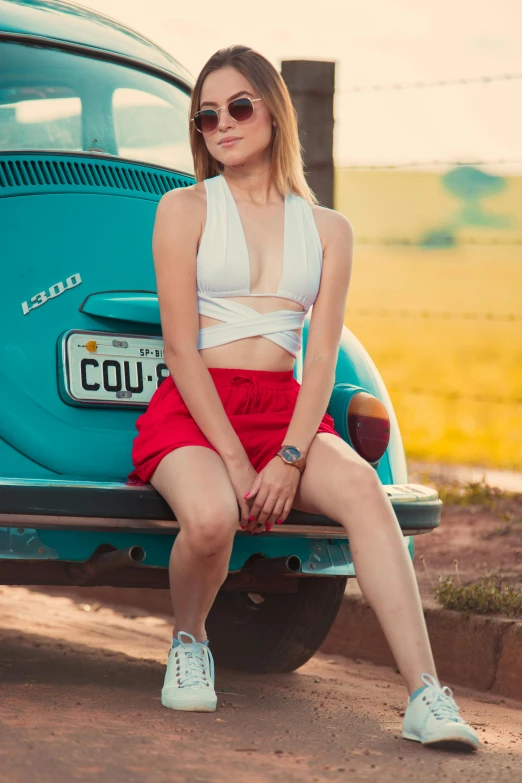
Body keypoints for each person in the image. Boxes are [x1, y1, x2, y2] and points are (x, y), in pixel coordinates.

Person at [128, 45, 479, 751]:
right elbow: (179, 349)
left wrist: (290, 455)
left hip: (282, 408)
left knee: (365, 491)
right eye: (205, 116)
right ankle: (190, 639)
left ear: (273, 111)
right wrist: (233, 457)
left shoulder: (328, 230)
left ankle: (424, 693)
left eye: (238, 106)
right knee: (209, 519)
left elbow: (321, 355)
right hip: (198, 410)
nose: (220, 124)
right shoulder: (183, 208)